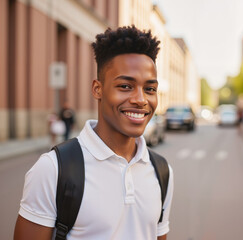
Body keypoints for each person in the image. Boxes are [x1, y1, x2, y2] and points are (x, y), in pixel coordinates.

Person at [14, 26, 174, 240]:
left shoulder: (162, 171)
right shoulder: (53, 169)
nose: (141, 99)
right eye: (126, 86)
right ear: (97, 89)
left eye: (150, 89)